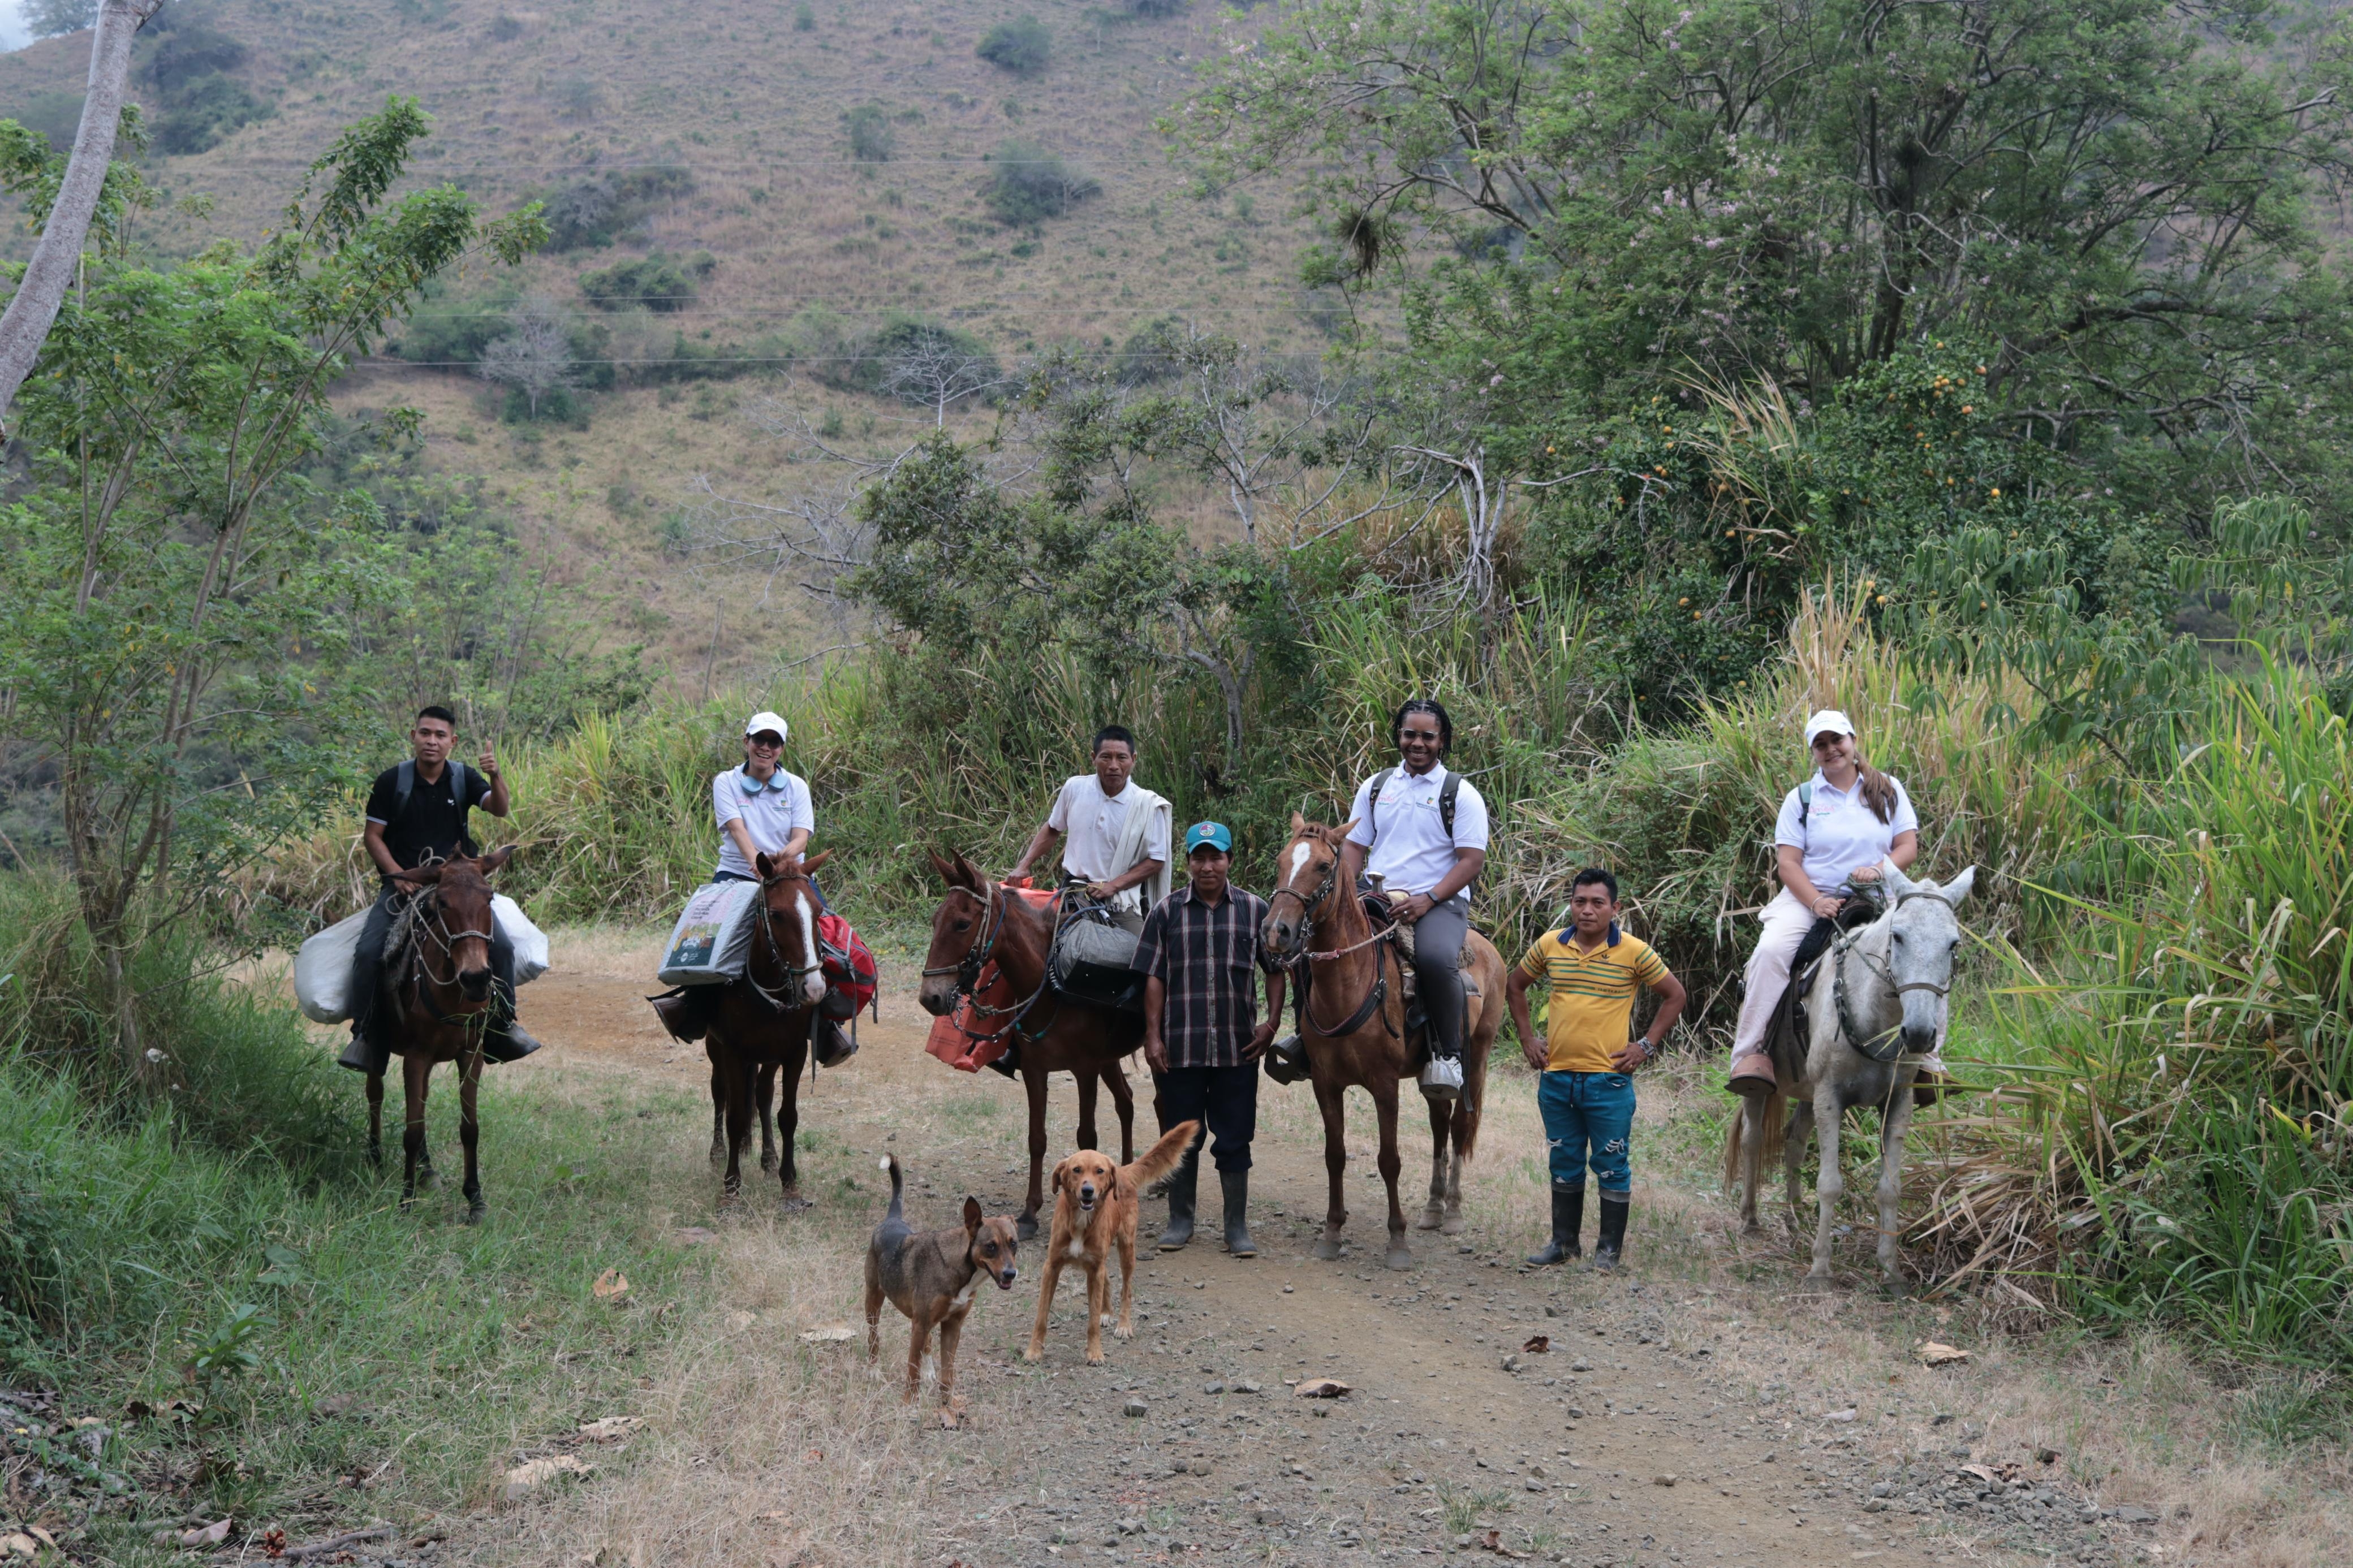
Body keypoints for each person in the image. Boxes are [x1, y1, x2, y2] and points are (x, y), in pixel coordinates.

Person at [1726, 709, 1934, 1096]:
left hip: (1879, 895)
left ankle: (1929, 1060)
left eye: (1837, 739)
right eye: (1820, 744)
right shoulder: (1802, 798)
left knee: (1929, 949)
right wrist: (1816, 901)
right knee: (1771, 952)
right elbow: (1788, 864)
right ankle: (1751, 1055)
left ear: (1853, 741)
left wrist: (1879, 869)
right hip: (1810, 897)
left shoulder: (1888, 789)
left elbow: (1908, 846)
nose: (1831, 749)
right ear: (1814, 752)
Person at [339, 706, 538, 1074]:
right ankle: (365, 1035)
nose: (432, 741)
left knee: (503, 949)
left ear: (452, 741)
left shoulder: (463, 777)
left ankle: (503, 1026)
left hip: (459, 887)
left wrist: (495, 774)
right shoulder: (391, 781)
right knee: (368, 953)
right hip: (405, 886)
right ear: (413, 736)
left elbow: (499, 808)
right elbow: (373, 836)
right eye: (425, 733)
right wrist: (397, 874)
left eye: (440, 735)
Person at [1506, 868, 1686, 1270]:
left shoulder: (1634, 951)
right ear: (1571, 904)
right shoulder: (1551, 944)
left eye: (1597, 903)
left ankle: (1608, 1253)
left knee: (1612, 1163)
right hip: (1557, 1078)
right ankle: (1564, 1244)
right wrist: (1527, 1039)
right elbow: (1515, 985)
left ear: (1615, 908)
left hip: (1609, 1081)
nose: (1587, 910)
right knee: (1563, 1159)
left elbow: (1675, 995)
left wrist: (1645, 1046)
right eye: (1580, 901)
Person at [1134, 822, 1287, 1257]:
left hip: (1238, 1049)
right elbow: (1153, 977)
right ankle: (1180, 1221)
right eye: (1198, 858)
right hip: (1179, 1048)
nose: (1207, 866)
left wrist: (1272, 1023)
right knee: (1181, 1137)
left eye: (1215, 857)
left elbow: (1275, 970)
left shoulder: (1256, 910)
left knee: (1235, 1138)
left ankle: (1236, 1227)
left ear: (1229, 860)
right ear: (1187, 863)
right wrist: (1153, 1036)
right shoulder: (1166, 911)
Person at [1339, 698, 1489, 1100]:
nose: (1418, 743)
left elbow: (1471, 860)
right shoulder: (1377, 786)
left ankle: (1447, 1056)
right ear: (1399, 736)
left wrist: (1429, 898)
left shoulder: (1459, 793)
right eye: (1410, 734)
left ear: (1443, 741)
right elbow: (1355, 845)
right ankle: (1307, 1041)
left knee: (1436, 959)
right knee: (1318, 940)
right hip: (1377, 894)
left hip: (1438, 901)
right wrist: (1346, 888)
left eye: (1428, 736)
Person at [1007, 725, 1171, 935]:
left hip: (1119, 903)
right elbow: (1053, 829)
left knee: (1142, 951)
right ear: (1094, 758)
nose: (1114, 766)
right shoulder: (1075, 789)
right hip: (1073, 895)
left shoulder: (1147, 805)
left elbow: (1156, 860)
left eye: (1121, 758)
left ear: (1133, 759)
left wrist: (1112, 886)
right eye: (1106, 757)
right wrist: (1024, 865)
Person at [714, 709, 815, 885]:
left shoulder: (797, 786)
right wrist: (758, 865)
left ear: (781, 749)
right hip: (737, 871)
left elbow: (800, 840)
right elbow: (737, 830)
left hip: (788, 871)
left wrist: (773, 866)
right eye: (759, 739)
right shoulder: (726, 782)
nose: (766, 747)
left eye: (774, 743)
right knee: (708, 904)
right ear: (747, 742)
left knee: (818, 905)